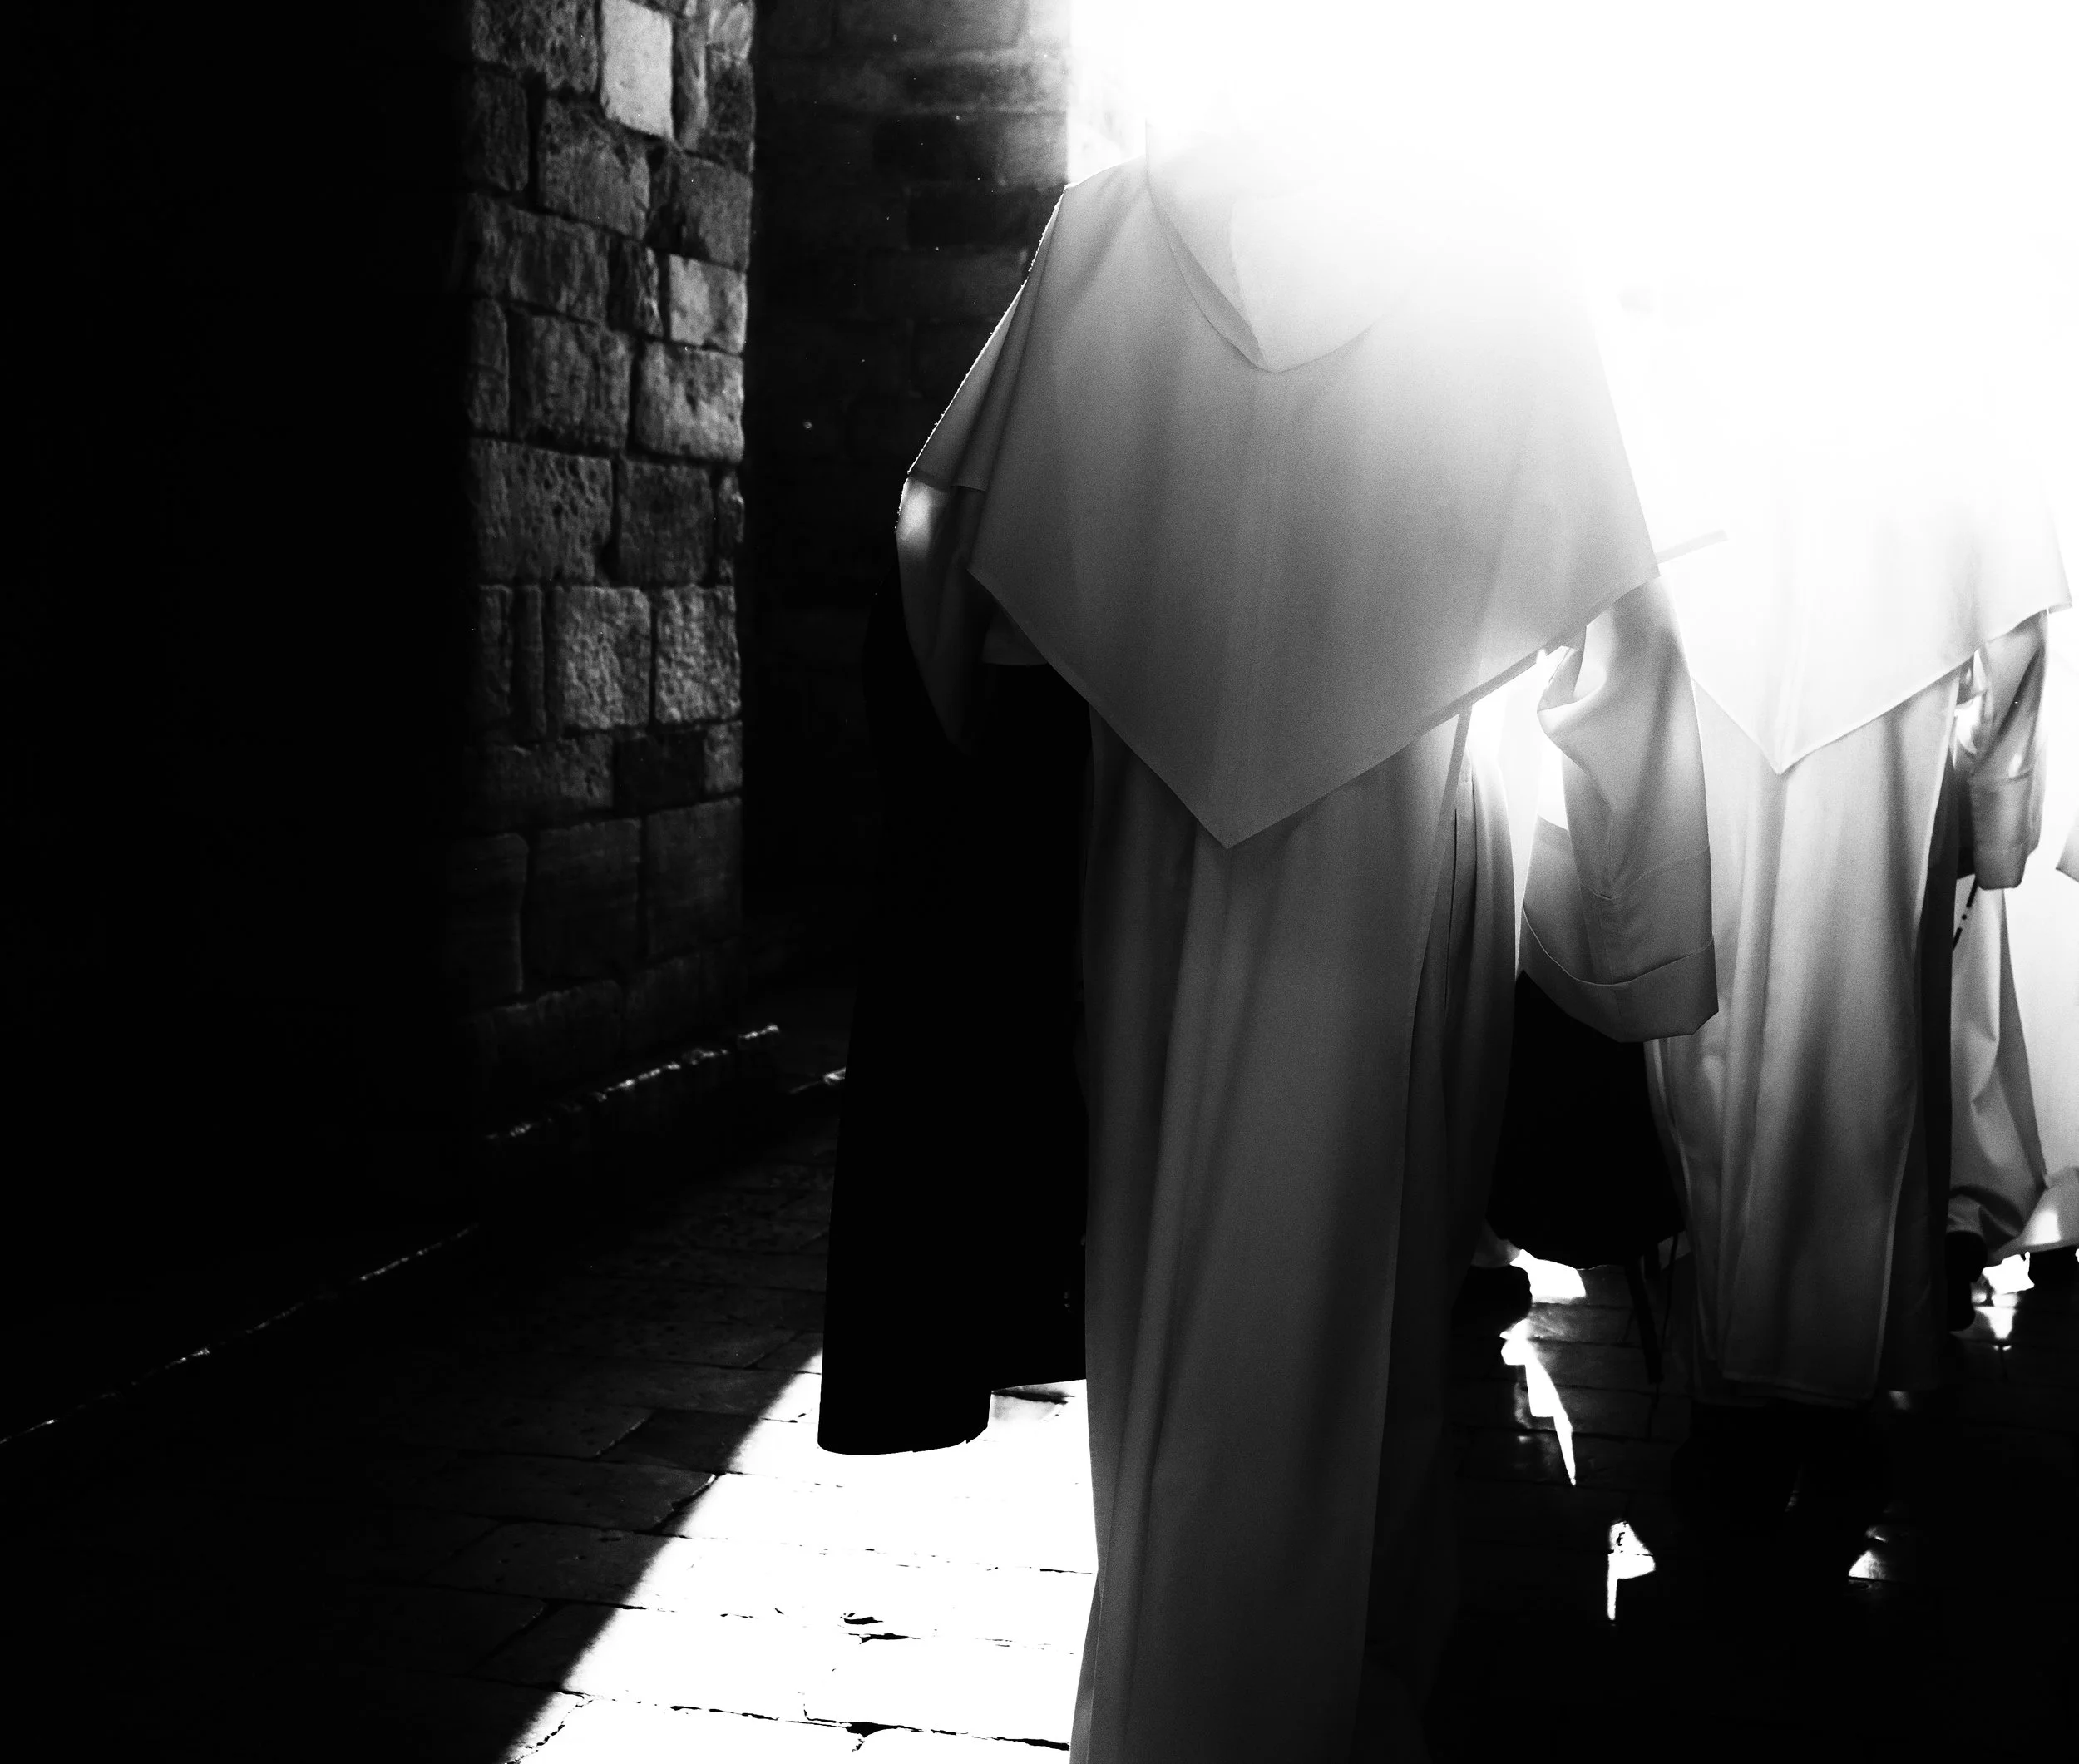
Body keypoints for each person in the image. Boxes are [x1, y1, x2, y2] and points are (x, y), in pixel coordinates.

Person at [821, 124, 1718, 1762]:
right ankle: (1327, 1696)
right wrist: (1621, 938)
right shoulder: (1498, 250)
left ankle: (1187, 1676)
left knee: (1166, 1281)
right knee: (1367, 1300)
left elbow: (944, 530)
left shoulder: (1103, 232)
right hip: (1407, 846)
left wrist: (1006, 766)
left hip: (1142, 858)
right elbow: (1621, 646)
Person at [1617, 240, 2072, 1517]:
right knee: (1867, 1088)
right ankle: (1839, 1384)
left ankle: (1727, 1391)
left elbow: (1608, 624)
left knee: (1710, 1077)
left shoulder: (1680, 386)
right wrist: (1992, 829)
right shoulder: (1944, 396)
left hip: (1706, 763)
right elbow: (2019, 640)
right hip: (1887, 771)